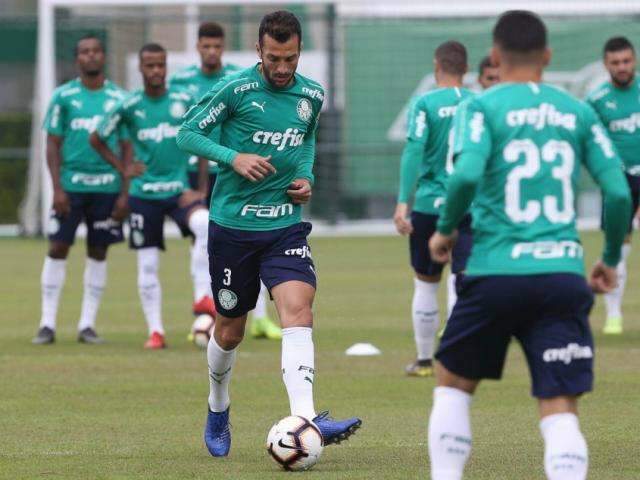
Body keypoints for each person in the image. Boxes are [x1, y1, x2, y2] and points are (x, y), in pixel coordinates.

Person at [427, 11, 630, 480]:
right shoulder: (576, 110)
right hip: (561, 276)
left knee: (453, 386)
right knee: (559, 409)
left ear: (495, 56)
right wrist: (611, 259)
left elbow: (465, 175)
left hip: (495, 273)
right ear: (548, 57)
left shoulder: (478, 108)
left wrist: (445, 228)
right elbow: (618, 192)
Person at [177, 10, 361, 457]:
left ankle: (306, 419)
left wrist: (305, 177)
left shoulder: (311, 94)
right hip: (233, 229)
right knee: (230, 332)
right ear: (259, 51)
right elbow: (187, 133)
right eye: (275, 58)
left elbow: (306, 140)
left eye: (291, 59)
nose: (283, 68)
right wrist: (231, 157)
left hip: (284, 226)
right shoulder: (236, 89)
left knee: (298, 311)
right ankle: (217, 406)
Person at [90, 43, 213, 349]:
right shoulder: (129, 105)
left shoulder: (184, 100)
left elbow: (200, 140)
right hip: (143, 194)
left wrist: (200, 188)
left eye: (161, 65)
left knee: (205, 223)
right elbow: (96, 138)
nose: (156, 71)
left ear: (166, 66)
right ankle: (156, 331)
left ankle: (203, 298)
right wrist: (123, 168)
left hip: (177, 191)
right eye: (150, 66)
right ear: (141, 69)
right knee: (147, 264)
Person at [170, 21, 280, 341]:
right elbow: (178, 135)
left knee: (254, 239)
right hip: (196, 173)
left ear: (224, 47)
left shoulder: (237, 78)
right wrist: (185, 185)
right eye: (206, 46)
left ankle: (259, 318)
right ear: (197, 47)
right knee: (204, 239)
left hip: (235, 171)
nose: (212, 52)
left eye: (217, 46)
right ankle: (203, 311)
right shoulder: (182, 82)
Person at [33, 35, 129, 345]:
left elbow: (128, 148)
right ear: (78, 59)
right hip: (71, 188)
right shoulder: (63, 97)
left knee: (98, 251)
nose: (91, 56)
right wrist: (57, 189)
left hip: (107, 188)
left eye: (96, 51)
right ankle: (47, 323)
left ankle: (87, 324)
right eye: (85, 52)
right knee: (58, 247)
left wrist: (124, 193)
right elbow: (52, 144)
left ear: (103, 56)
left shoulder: (119, 99)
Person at [393, 41, 474, 377]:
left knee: (426, 282)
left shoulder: (424, 103)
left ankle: (425, 360)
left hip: (429, 205)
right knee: (461, 279)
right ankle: (457, 359)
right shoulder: (478, 103)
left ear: (436, 65)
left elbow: (414, 150)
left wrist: (402, 203)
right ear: (465, 69)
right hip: (469, 204)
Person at [586, 36, 640, 334]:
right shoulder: (596, 100)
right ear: (606, 65)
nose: (622, 67)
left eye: (627, 61)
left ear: (634, 60)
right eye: (616, 62)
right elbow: (591, 145)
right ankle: (614, 316)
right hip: (618, 182)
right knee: (618, 249)